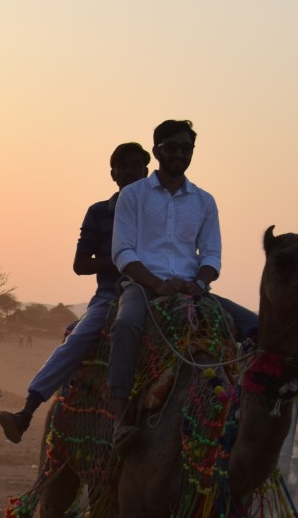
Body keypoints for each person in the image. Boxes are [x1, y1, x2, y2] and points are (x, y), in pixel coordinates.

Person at [108, 119, 257, 439]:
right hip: (145, 287)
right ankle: (119, 417)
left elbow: (212, 256)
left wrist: (199, 284)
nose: (179, 154)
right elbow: (123, 252)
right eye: (171, 147)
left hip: (193, 290)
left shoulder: (204, 201)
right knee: (125, 324)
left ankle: (243, 413)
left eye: (186, 148)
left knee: (257, 327)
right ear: (157, 150)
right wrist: (157, 285)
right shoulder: (133, 195)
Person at [0, 143, 150, 443]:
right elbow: (81, 264)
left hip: (155, 291)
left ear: (147, 173)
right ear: (114, 174)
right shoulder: (99, 213)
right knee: (79, 339)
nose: (131, 173)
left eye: (137, 167)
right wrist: (123, 260)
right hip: (111, 294)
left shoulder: (159, 214)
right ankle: (26, 412)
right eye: (125, 167)